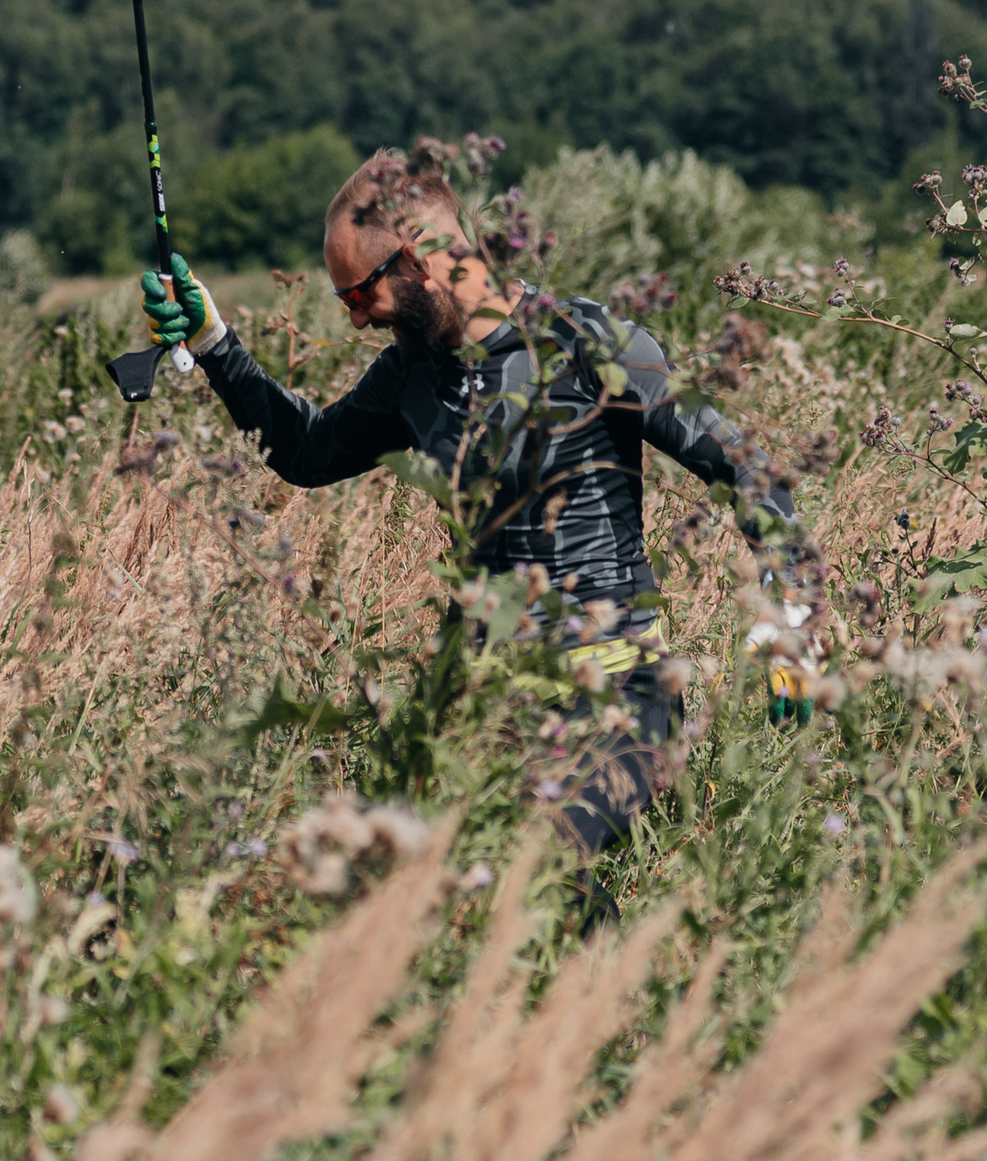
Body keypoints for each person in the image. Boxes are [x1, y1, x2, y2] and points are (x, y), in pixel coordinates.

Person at [142, 147, 796, 867]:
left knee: (535, 873)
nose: (358, 320)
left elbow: (745, 468)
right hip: (485, 710)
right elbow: (307, 453)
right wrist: (214, 345)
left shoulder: (586, 343)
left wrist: (788, 606)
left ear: (421, 256)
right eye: (345, 303)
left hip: (615, 702)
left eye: (361, 294)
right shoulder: (409, 375)